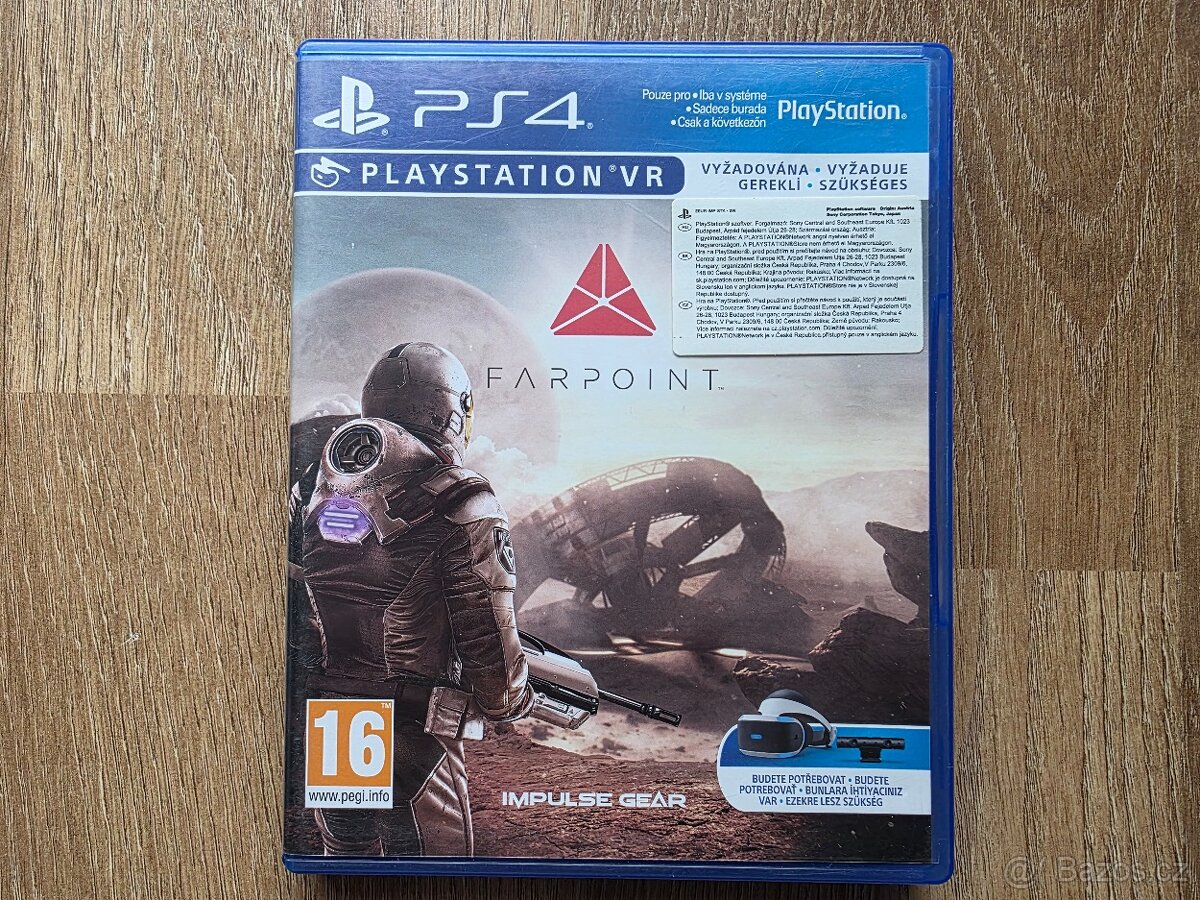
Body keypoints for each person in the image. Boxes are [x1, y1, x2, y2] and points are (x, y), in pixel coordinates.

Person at [288, 342, 533, 856]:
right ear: (452, 411)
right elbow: (487, 641)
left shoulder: (312, 488)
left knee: (348, 865)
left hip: (335, 718)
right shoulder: (464, 497)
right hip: (415, 727)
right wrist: (510, 700)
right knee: (432, 868)